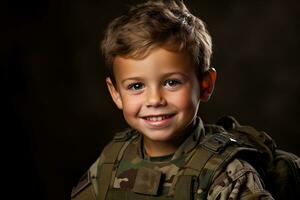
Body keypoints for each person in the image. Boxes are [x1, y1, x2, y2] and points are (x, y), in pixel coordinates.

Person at [71, 0, 274, 199]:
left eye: (171, 83)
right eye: (136, 86)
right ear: (116, 94)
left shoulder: (227, 173)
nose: (155, 100)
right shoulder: (111, 160)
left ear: (205, 85)